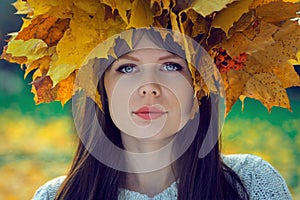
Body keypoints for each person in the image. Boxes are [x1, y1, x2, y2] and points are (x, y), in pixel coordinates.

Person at [32, 28, 292, 200]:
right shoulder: (55, 196)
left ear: (198, 90)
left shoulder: (252, 184)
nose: (150, 88)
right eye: (127, 68)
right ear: (101, 91)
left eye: (171, 65)